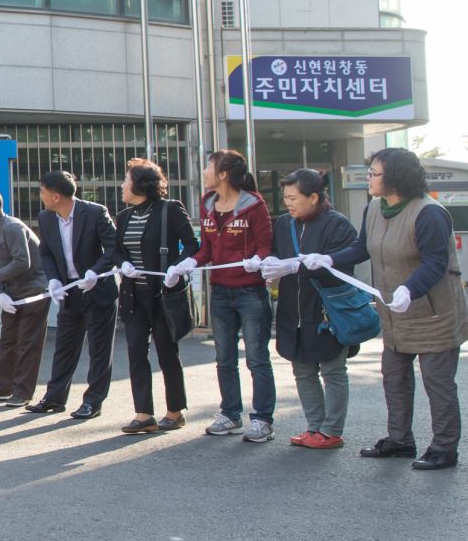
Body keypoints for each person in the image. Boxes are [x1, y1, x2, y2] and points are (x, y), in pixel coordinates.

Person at [322, 148, 468, 470]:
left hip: (433, 313)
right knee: (394, 378)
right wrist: (329, 258)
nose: (368, 179)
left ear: (395, 178)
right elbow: (362, 247)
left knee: (437, 383)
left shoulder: (429, 213)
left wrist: (408, 289)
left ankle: (444, 448)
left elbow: (435, 262)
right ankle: (400, 441)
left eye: (373, 173)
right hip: (395, 313)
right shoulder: (374, 208)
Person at [165, 149, 276, 443]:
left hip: (250, 292)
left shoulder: (254, 205)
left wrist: (258, 260)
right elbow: (206, 249)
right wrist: (188, 263)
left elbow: (266, 246)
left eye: (208, 167)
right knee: (224, 358)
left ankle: (262, 420)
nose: (204, 172)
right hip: (221, 292)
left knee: (257, 359)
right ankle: (230, 414)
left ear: (223, 174)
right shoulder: (207, 203)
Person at [264, 169, 361, 450]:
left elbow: (344, 268)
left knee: (333, 370)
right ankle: (314, 427)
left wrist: (304, 265)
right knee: (302, 370)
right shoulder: (284, 224)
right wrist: (270, 263)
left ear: (314, 197)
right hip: (293, 311)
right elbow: (274, 251)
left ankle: (331, 431)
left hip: (327, 311)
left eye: (293, 198)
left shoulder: (338, 225)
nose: (288, 203)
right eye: (285, 198)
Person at [114, 158, 200, 435]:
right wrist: (123, 264)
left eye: (126, 180)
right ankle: (143, 414)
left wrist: (177, 267)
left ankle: (175, 411)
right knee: (136, 353)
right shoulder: (124, 216)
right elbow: (116, 250)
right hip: (133, 295)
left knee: (167, 352)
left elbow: (192, 245)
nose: (122, 185)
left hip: (163, 294)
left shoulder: (169, 209)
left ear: (140, 184)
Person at [30, 170, 119, 419]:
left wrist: (96, 271)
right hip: (69, 291)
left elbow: (114, 247)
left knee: (99, 350)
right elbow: (46, 252)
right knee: (64, 346)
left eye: (42, 192)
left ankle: (93, 402)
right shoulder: (46, 218)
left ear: (56, 196)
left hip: (97, 289)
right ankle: (54, 398)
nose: (40, 197)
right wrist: (53, 278)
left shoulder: (95, 212)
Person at [0, 187, 51, 408]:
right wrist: (1, 293)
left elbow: (22, 261)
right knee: (7, 341)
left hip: (34, 293)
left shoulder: (12, 227)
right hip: (11, 294)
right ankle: (2, 387)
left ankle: (23, 392)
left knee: (28, 344)